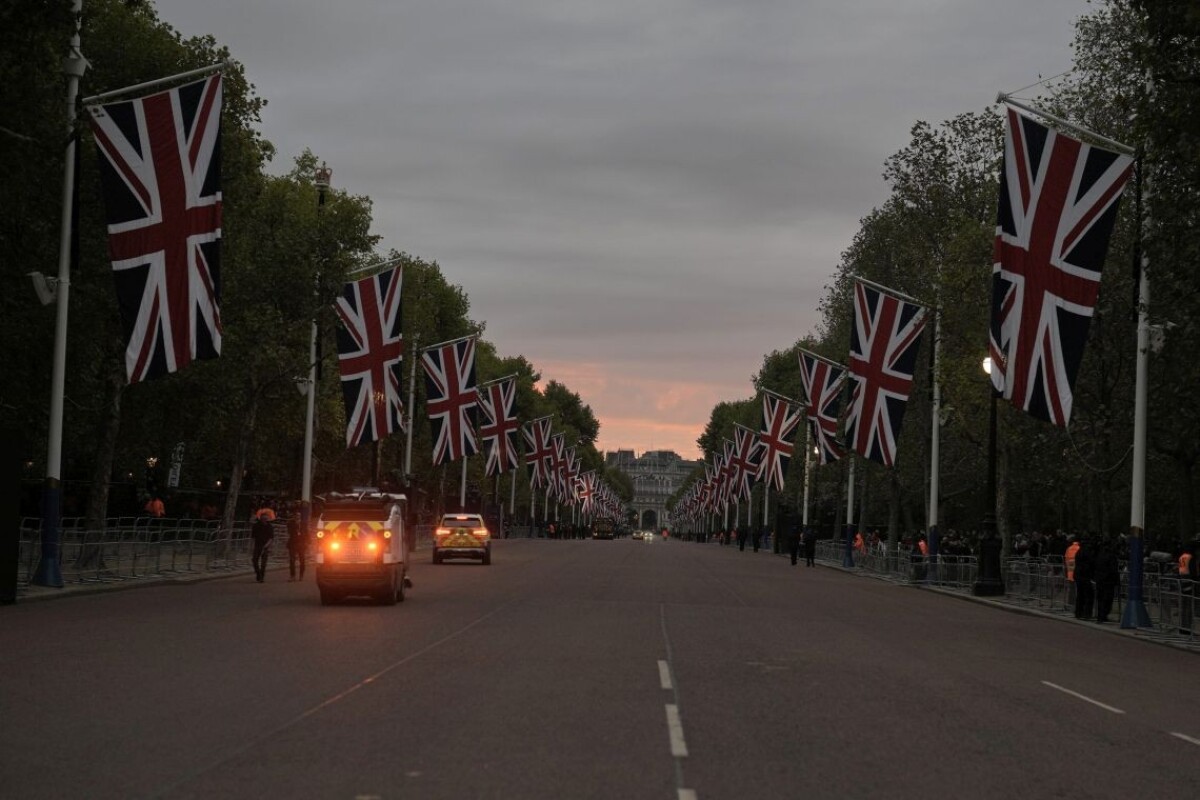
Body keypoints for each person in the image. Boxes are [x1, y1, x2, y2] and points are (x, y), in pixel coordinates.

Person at [1093, 538, 1120, 623]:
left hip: (1100, 580)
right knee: (1107, 599)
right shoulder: (1111, 556)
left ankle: (1100, 616)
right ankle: (1103, 615)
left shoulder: (1100, 554)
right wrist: (1117, 581)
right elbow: (1113, 570)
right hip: (1108, 581)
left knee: (1100, 598)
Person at [1073, 538, 1095, 620]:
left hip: (1078, 575)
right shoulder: (1087, 553)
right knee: (1089, 595)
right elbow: (1091, 563)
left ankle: (1078, 613)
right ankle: (1087, 613)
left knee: (1080, 595)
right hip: (1085, 576)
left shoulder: (1079, 552)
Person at [251, 512, 274, 583]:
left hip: (265, 546)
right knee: (254, 560)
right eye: (263, 518)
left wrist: (267, 546)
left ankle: (262, 577)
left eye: (266, 518)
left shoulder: (270, 526)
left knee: (263, 563)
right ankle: (258, 573)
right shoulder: (256, 525)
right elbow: (253, 537)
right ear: (260, 518)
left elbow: (271, 538)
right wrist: (252, 546)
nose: (264, 520)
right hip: (257, 545)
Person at [286, 513, 307, 582]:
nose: (297, 517)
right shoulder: (290, 523)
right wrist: (296, 526)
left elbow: (307, 533)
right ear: (294, 517)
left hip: (301, 544)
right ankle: (292, 576)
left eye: (298, 516)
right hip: (293, 543)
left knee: (302, 560)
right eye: (296, 516)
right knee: (292, 560)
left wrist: (307, 542)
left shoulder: (303, 524)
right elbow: (289, 532)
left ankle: (301, 575)